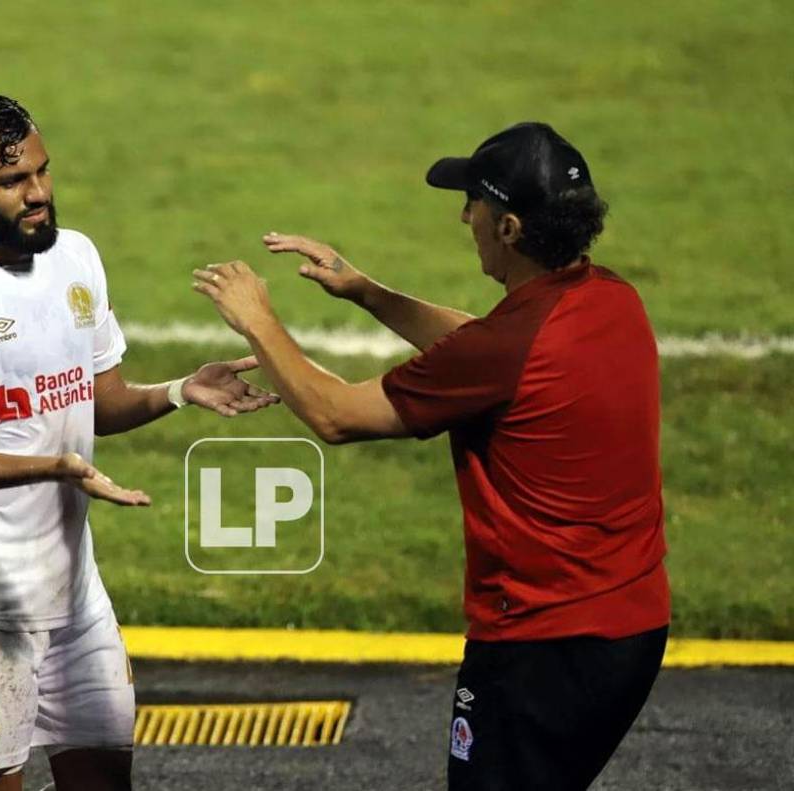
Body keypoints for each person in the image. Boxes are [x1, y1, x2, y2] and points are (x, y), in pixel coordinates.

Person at [193, 122, 670, 791]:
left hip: (543, 645)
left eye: (472, 200)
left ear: (507, 227)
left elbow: (334, 414)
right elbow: (492, 344)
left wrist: (258, 320)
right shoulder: (612, 299)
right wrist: (366, 291)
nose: (462, 214)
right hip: (633, 628)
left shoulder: (507, 349)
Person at [0, 95, 277, 791]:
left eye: (41, 172)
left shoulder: (76, 257)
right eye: (11, 183)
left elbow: (101, 400)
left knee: (104, 776)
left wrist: (184, 389)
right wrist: (56, 466)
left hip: (74, 586)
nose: (37, 194)